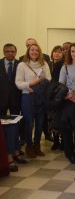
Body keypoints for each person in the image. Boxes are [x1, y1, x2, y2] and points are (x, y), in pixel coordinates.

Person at [15, 43, 51, 158]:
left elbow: (49, 80)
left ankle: (37, 146)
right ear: (28, 52)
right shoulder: (22, 65)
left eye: (36, 50)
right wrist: (30, 84)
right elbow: (18, 83)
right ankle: (29, 147)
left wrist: (38, 87)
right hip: (27, 97)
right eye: (32, 50)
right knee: (29, 123)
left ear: (39, 52)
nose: (34, 52)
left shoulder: (44, 64)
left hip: (41, 97)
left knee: (40, 123)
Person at [58, 42, 75, 164]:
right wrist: (69, 95)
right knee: (68, 127)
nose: (74, 53)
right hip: (68, 100)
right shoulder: (65, 67)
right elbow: (61, 85)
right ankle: (69, 153)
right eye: (72, 51)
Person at [0, 43, 25, 172]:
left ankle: (16, 150)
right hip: (1, 101)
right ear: (3, 52)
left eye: (12, 51)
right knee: (3, 128)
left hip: (16, 100)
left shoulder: (20, 64)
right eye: (7, 51)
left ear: (16, 52)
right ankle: (5, 153)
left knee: (16, 126)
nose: (10, 53)